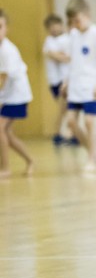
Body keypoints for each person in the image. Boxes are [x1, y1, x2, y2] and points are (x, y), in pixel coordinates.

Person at [63, 0, 96, 172]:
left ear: (87, 15)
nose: (75, 24)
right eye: (72, 22)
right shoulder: (73, 35)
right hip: (76, 86)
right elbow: (72, 61)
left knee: (89, 122)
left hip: (92, 85)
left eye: (78, 20)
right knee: (71, 122)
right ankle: (93, 152)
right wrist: (66, 81)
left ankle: (91, 158)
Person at [0, 10, 35, 177]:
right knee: (6, 133)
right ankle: (30, 160)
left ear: (6, 28)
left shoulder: (8, 51)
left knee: (1, 129)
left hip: (16, 96)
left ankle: (5, 169)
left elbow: (2, 82)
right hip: (7, 96)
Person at [42, 14, 73, 145]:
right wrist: (60, 55)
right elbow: (55, 55)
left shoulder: (67, 39)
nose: (54, 29)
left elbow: (68, 56)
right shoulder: (49, 40)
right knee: (64, 109)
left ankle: (64, 134)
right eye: (51, 27)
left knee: (64, 108)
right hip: (54, 81)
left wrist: (60, 55)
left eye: (56, 26)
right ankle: (66, 134)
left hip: (65, 80)